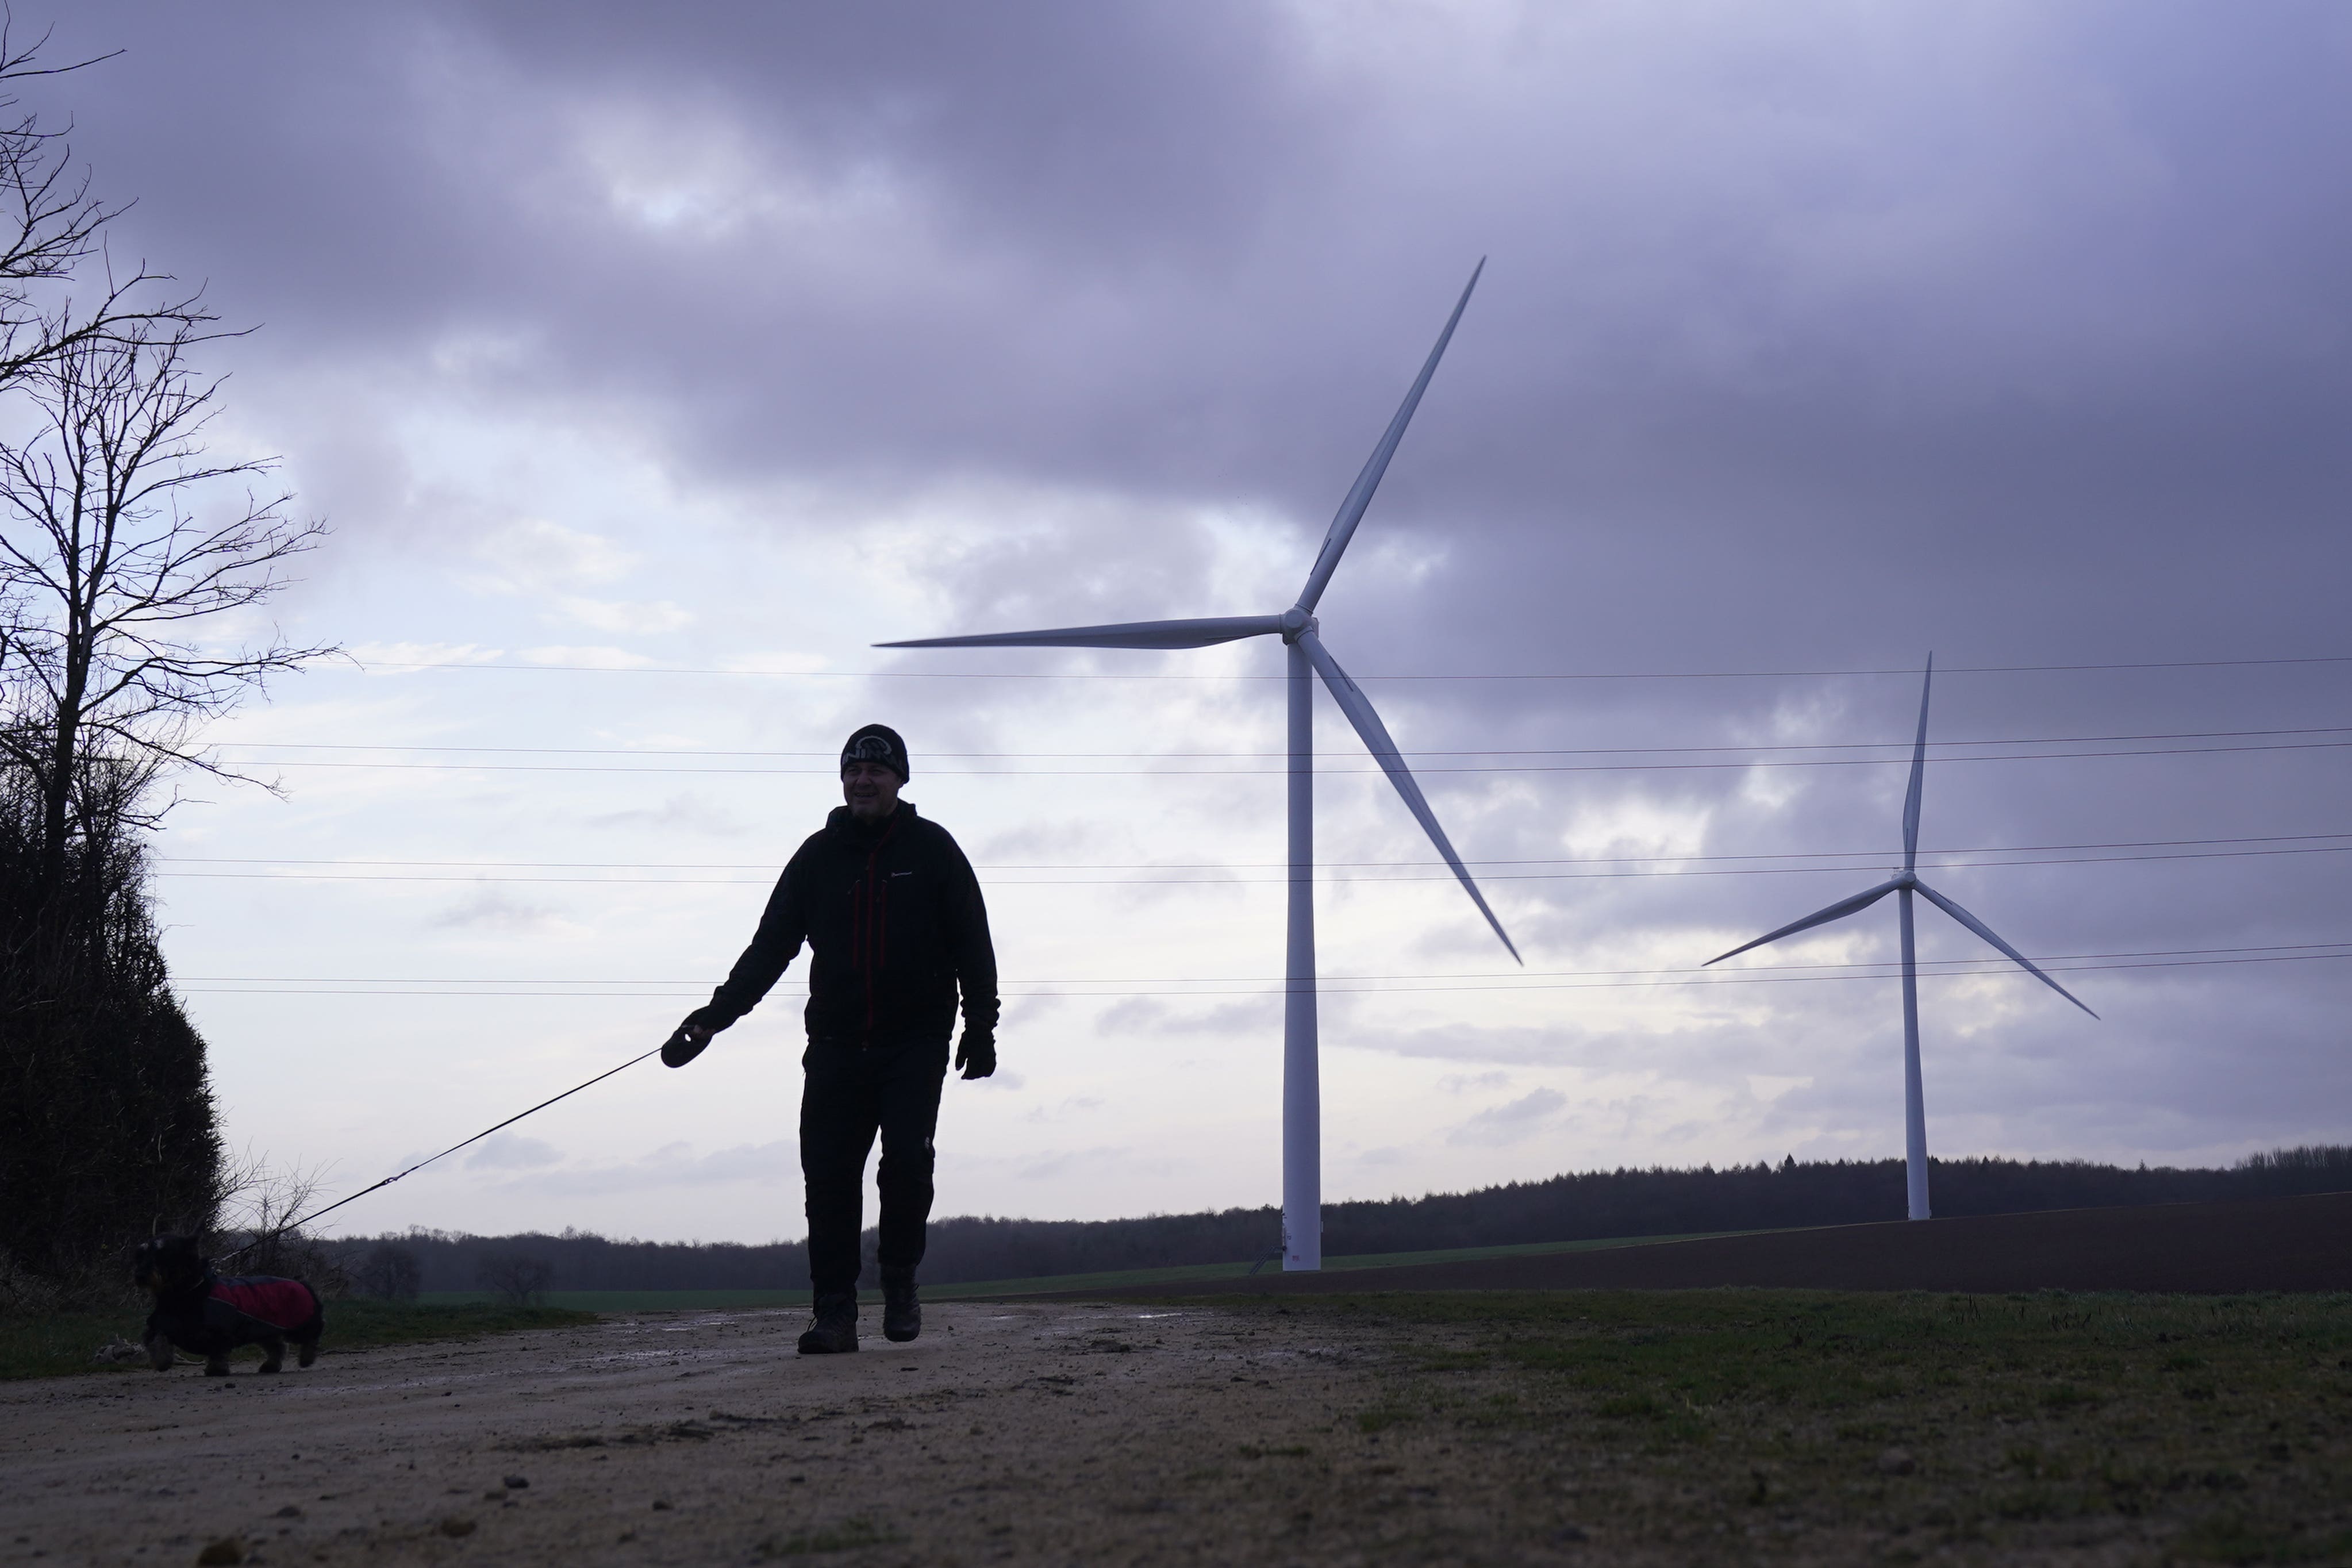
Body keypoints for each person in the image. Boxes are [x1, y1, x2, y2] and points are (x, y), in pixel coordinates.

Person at [663, 723, 997, 1354]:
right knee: (829, 1176)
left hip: (914, 1041)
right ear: (843, 781)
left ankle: (899, 1282)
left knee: (906, 1164)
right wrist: (713, 1017)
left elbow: (973, 943)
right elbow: (770, 948)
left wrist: (982, 1024)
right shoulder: (817, 857)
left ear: (900, 778)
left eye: (876, 770)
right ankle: (834, 1311)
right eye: (853, 771)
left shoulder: (934, 850)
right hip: (838, 1046)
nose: (863, 780)